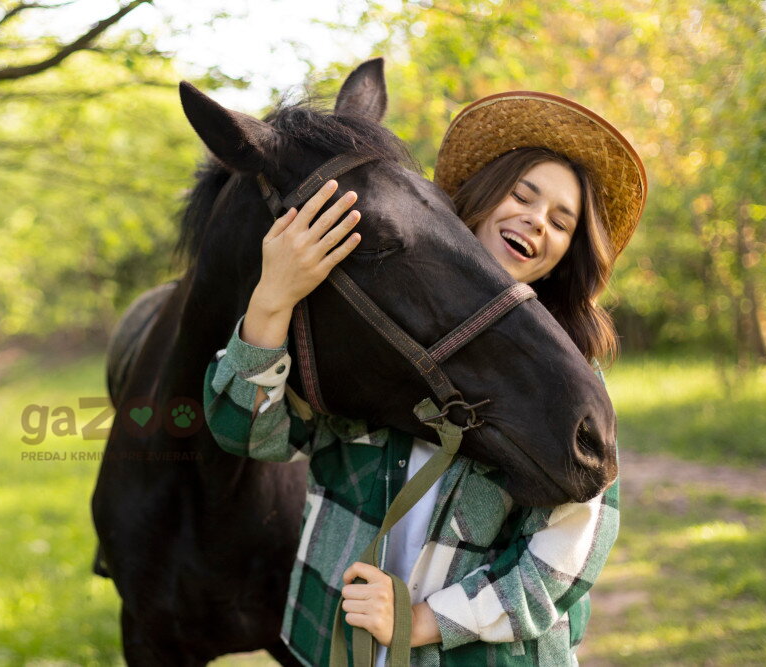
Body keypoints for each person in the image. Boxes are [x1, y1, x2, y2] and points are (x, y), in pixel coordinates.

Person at [203, 91, 646, 666]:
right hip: (335, 646)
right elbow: (256, 436)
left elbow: (565, 555)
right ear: (482, 199)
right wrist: (272, 301)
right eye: (522, 195)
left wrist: (422, 621)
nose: (537, 220)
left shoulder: (568, 379)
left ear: (566, 252)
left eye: (561, 223)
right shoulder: (381, 331)